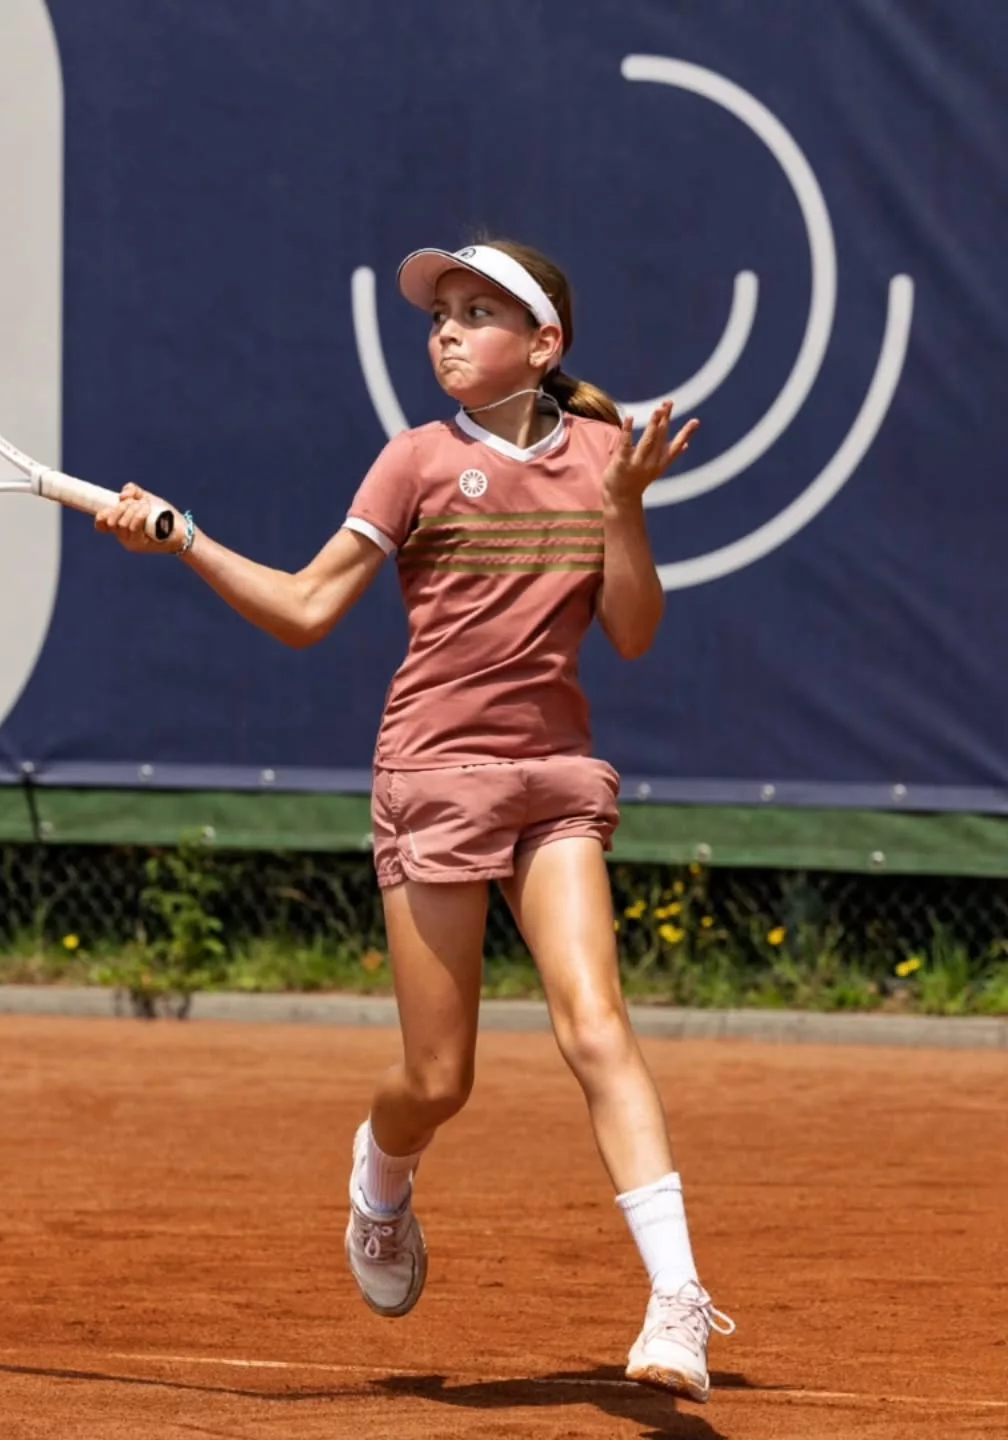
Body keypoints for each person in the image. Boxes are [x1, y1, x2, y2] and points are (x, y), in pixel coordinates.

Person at [95, 238, 735, 1403]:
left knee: (598, 1025)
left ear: (542, 347)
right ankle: (382, 1174)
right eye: (439, 313)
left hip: (553, 777)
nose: (446, 330)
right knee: (440, 1081)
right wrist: (182, 539)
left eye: (476, 312)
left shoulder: (604, 457)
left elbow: (633, 633)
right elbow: (304, 609)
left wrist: (627, 507)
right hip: (436, 774)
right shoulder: (414, 463)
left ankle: (676, 1301)